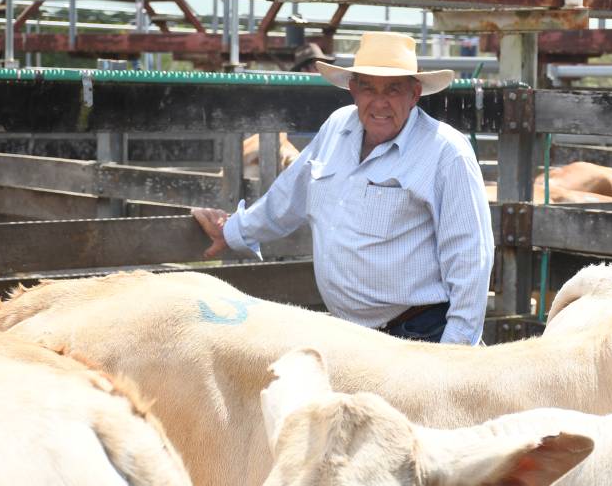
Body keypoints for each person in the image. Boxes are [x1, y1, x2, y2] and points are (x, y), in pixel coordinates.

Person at [192, 31, 494, 346]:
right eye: (367, 87)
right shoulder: (338, 128)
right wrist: (232, 231)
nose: (380, 102)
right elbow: (290, 195)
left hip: (420, 335)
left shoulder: (446, 152)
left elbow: (471, 256)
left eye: (393, 89)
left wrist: (455, 352)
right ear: (353, 89)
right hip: (349, 337)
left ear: (414, 93)